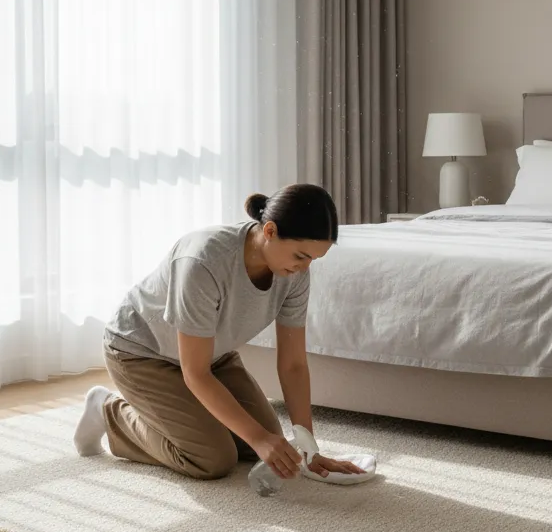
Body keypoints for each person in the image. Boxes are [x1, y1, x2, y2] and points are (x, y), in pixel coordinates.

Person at [73, 183, 364, 483]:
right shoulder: (204, 261)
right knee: (213, 459)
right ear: (270, 231)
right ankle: (108, 412)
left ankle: (190, 418)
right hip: (141, 353)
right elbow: (195, 373)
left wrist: (308, 449)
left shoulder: (294, 275)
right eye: (301, 256)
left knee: (266, 441)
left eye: (313, 260)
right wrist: (259, 438)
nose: (304, 269)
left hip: (211, 357)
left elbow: (293, 365)